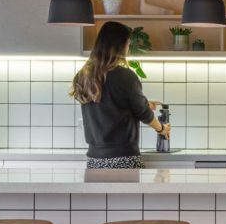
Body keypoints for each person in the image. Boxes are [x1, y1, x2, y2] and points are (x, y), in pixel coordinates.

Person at [71, 21, 169, 168]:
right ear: (121, 45)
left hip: (94, 159)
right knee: (126, 193)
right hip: (123, 158)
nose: (128, 47)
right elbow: (144, 114)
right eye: (128, 43)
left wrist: (144, 102)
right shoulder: (125, 76)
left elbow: (108, 102)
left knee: (102, 193)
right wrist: (161, 128)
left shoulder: (84, 75)